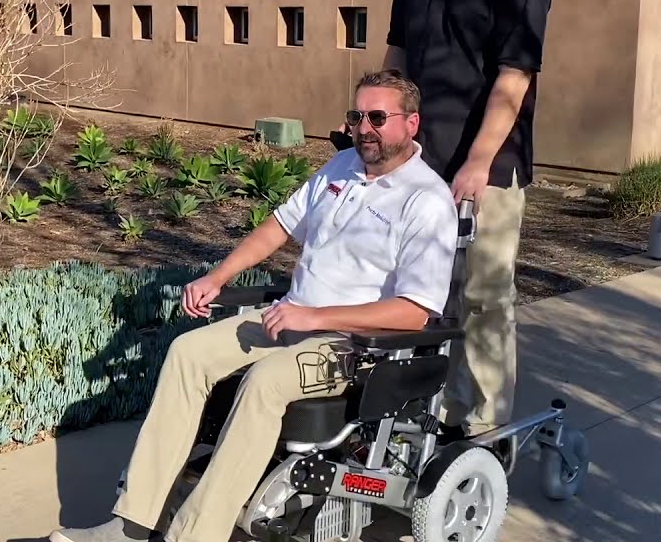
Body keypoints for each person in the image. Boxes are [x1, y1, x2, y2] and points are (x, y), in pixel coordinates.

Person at [49, 70, 459, 542]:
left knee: (266, 383)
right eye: (356, 115)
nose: (363, 127)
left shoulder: (426, 201)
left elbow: (414, 311)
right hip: (288, 318)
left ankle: (196, 536)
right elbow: (277, 228)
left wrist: (316, 317)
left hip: (354, 347)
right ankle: (132, 524)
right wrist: (217, 277)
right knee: (188, 353)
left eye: (377, 117)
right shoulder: (340, 167)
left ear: (411, 124)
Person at [382, 0, 552, 441]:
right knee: (419, 291)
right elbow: (398, 54)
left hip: (487, 164)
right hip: (418, 162)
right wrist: (378, 130)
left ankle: (483, 424)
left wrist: (478, 162)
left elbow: (514, 78)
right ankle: (425, 411)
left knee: (482, 294)